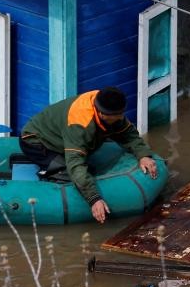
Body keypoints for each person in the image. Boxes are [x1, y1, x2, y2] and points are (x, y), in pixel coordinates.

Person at [19, 87, 159, 224]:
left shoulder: (109, 108)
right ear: (102, 114)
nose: (121, 118)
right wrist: (94, 198)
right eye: (117, 116)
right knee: (73, 174)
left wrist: (143, 155)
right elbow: (75, 163)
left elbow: (129, 135)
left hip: (62, 137)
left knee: (88, 170)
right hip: (36, 141)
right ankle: (49, 177)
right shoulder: (80, 123)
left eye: (121, 114)